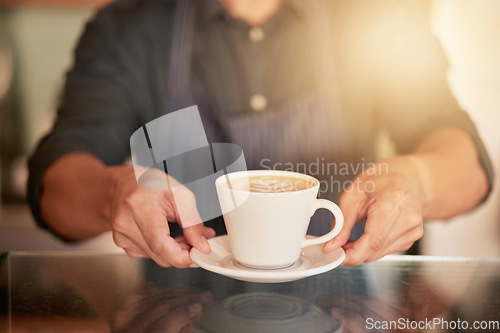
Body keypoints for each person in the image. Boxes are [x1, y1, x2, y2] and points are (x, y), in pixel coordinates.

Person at [28, 0, 493, 267]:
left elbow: (463, 158)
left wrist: (417, 180)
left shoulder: (377, 16)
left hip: (347, 308)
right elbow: (56, 182)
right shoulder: (127, 28)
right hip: (177, 311)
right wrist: (113, 192)